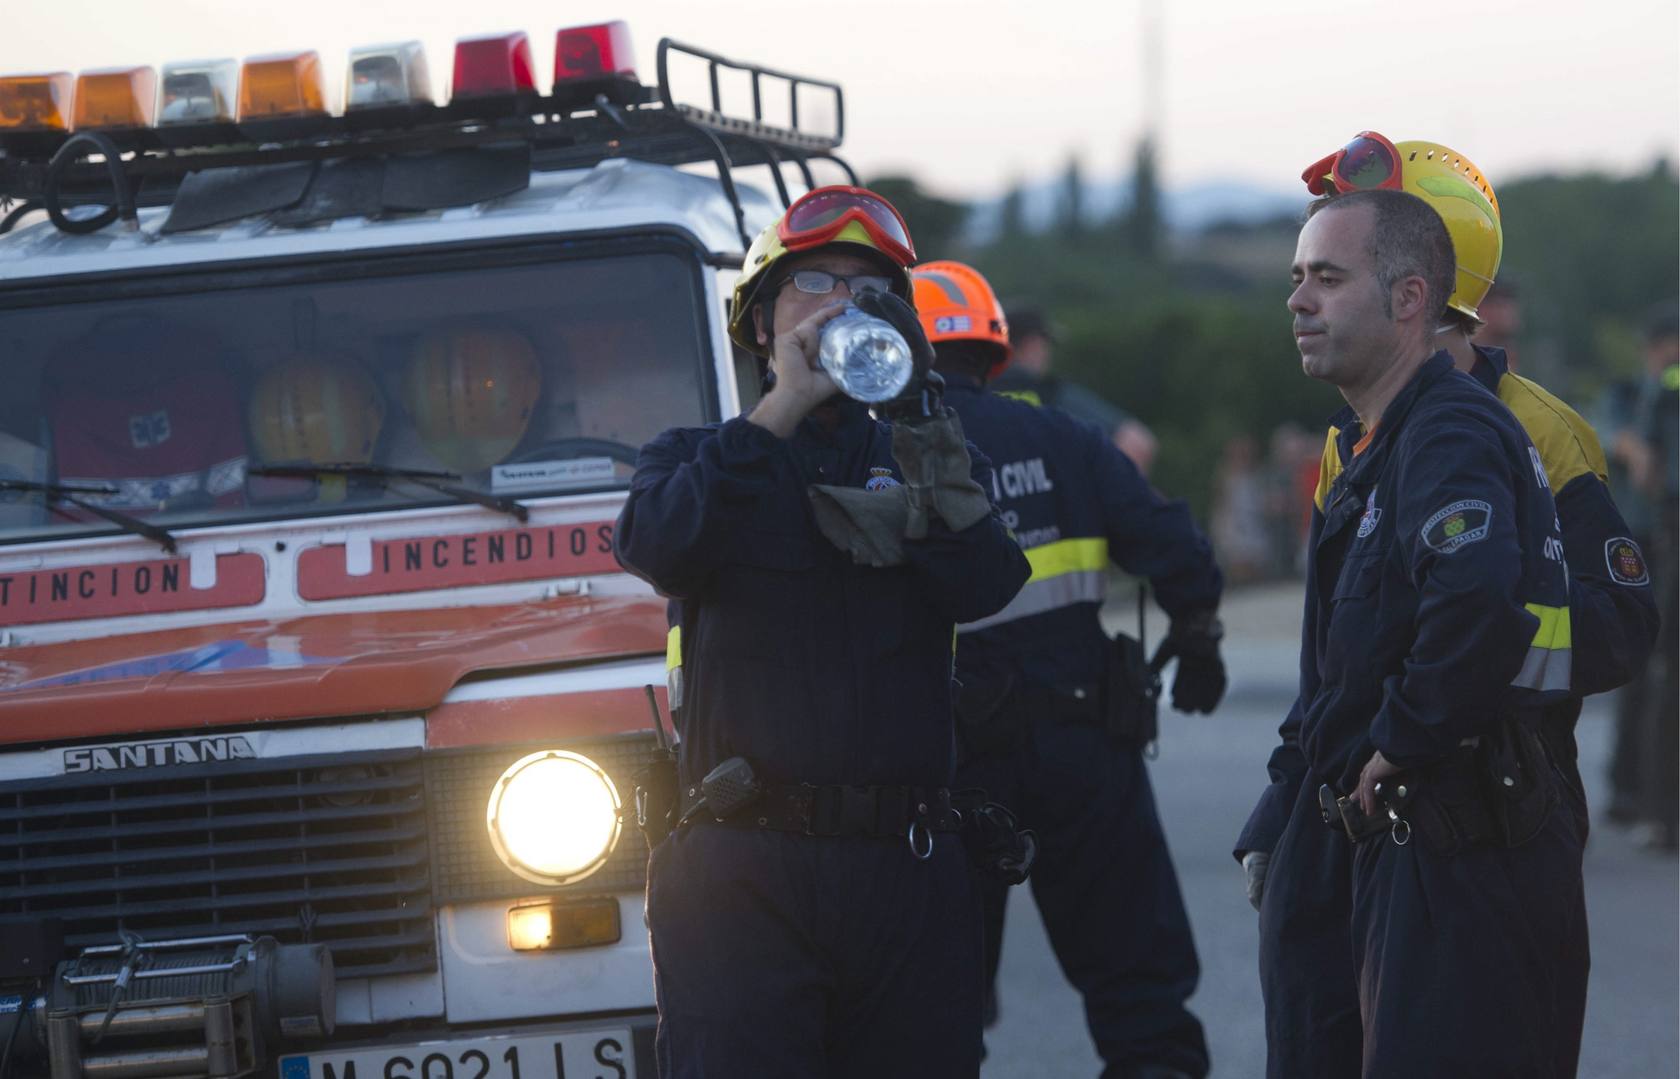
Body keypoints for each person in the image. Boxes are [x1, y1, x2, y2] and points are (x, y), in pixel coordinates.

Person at [1237, 137, 1659, 1077]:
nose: (1300, 299)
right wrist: (1288, 801)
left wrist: (1442, 698)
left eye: (1329, 272)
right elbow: (1333, 653)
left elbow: (1616, 621)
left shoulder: (1527, 428)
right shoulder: (1361, 437)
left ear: (1414, 280)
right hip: (1366, 810)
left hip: (1472, 808)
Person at [614, 187, 1030, 1078]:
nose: (840, 302)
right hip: (741, 869)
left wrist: (919, 417)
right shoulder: (697, 457)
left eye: (867, 288)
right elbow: (658, 545)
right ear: (762, 323)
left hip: (903, 869)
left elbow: (987, 580)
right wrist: (780, 412)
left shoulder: (920, 459)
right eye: (812, 284)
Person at [912, 259, 1223, 1079]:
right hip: (1085, 742)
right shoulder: (1066, 440)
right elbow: (1175, 547)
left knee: (935, 1002)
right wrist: (1199, 633)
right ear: (999, 352)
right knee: (1139, 986)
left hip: (949, 762)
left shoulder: (888, 455)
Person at [993, 305, 1160, 475]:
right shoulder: (1050, 392)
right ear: (1033, 345)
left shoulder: (976, 391)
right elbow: (1138, 444)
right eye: (1047, 345)